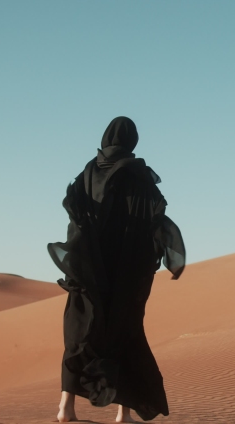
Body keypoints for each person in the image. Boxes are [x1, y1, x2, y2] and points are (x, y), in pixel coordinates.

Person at [48, 116, 185, 422]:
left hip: (91, 271)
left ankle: (65, 407)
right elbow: (154, 223)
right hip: (126, 272)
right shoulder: (141, 177)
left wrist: (78, 261)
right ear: (132, 141)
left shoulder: (88, 172)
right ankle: (124, 412)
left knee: (80, 334)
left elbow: (75, 220)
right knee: (126, 334)